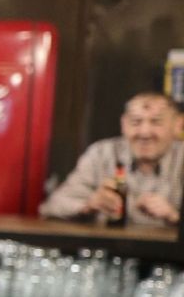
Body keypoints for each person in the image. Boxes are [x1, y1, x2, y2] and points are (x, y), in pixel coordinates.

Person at [39, 92, 183, 226]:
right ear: (123, 124)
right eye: (136, 122)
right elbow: (52, 207)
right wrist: (89, 205)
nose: (144, 133)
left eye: (156, 122)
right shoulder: (101, 153)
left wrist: (173, 215)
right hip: (107, 251)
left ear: (177, 125)